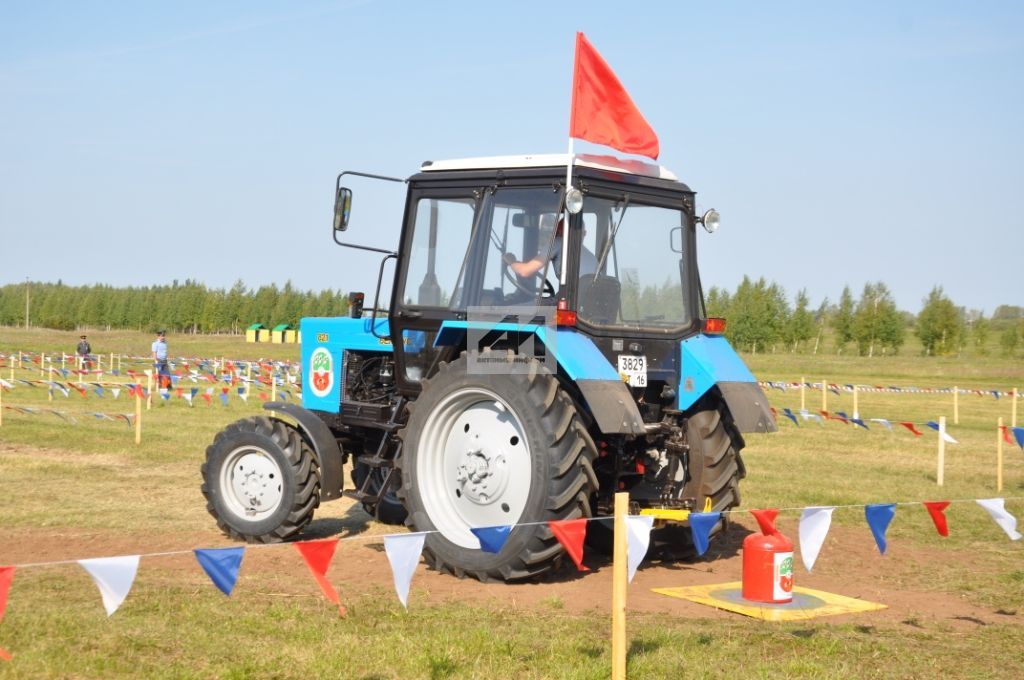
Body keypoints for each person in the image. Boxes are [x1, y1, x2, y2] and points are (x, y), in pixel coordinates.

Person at [504, 215, 598, 281]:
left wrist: (511, 261)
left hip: (570, 301)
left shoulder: (557, 243)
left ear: (559, 231)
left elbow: (524, 271)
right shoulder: (593, 258)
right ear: (584, 234)